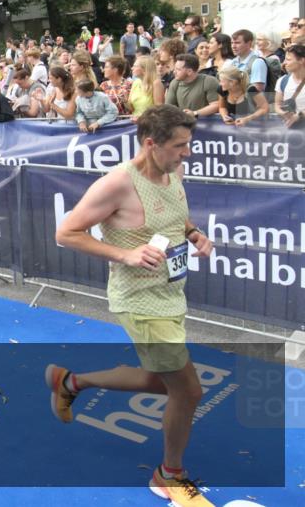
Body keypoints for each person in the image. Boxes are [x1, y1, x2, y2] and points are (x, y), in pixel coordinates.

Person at [48, 104, 214, 507]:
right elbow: (66, 233)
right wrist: (125, 255)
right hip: (138, 300)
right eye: (179, 146)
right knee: (188, 389)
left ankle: (71, 382)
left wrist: (194, 234)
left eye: (188, 144)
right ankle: (168, 475)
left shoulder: (174, 170)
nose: (186, 153)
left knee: (164, 382)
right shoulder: (117, 184)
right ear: (150, 143)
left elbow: (178, 217)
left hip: (171, 293)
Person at [165, 54, 220, 119]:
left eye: (178, 69)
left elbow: (216, 105)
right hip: (183, 123)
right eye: (175, 69)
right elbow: (168, 107)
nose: (174, 72)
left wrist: (195, 113)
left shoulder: (209, 81)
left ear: (189, 71)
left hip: (207, 123)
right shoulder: (175, 83)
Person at [275, 43, 305, 128]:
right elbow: (277, 104)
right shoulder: (282, 81)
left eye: (288, 59)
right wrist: (283, 113)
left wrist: (299, 116)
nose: (284, 63)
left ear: (301, 60)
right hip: (291, 132)